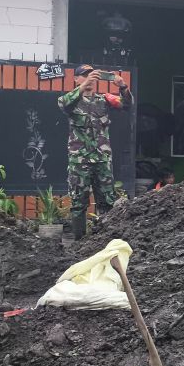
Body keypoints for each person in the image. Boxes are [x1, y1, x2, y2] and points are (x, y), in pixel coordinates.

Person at [58, 65, 132, 240]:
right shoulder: (70, 101)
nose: (88, 79)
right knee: (78, 204)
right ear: (76, 79)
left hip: (102, 160)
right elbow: (64, 103)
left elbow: (126, 105)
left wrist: (122, 86)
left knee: (107, 202)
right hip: (79, 161)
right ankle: (79, 243)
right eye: (84, 76)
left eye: (91, 76)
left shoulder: (104, 100)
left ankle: (104, 241)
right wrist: (84, 87)